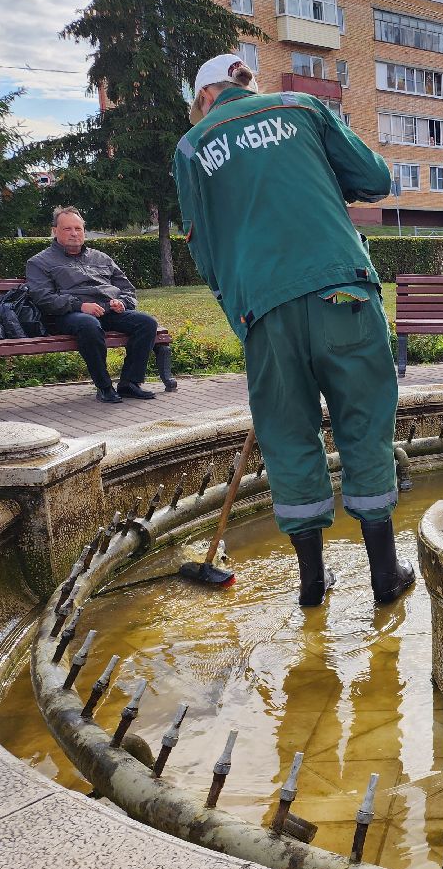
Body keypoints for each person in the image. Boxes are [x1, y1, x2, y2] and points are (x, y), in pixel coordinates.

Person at [173, 54, 413, 608]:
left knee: (287, 438)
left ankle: (311, 583)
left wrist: (247, 316)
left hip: (265, 311)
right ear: (246, 84)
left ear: (205, 97)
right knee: (364, 424)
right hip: (344, 293)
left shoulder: (191, 147)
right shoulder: (300, 106)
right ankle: (384, 575)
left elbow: (204, 255)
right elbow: (375, 179)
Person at [25, 207, 162, 404]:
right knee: (88, 325)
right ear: (54, 231)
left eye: (78, 229)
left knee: (146, 322)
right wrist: (80, 306)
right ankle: (104, 387)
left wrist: (122, 302)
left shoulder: (101, 258)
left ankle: (130, 383)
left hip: (107, 310)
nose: (74, 233)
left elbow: (127, 289)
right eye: (67, 229)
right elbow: (44, 298)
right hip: (68, 315)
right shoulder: (39, 262)